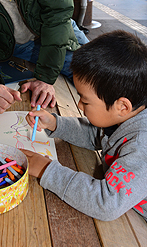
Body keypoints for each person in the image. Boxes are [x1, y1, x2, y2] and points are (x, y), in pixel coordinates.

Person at [22, 30, 147, 221]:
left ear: (122, 106)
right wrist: (56, 123)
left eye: (85, 101)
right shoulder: (125, 116)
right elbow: (96, 135)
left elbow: (106, 203)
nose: (79, 105)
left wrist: (47, 170)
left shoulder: (140, 145)